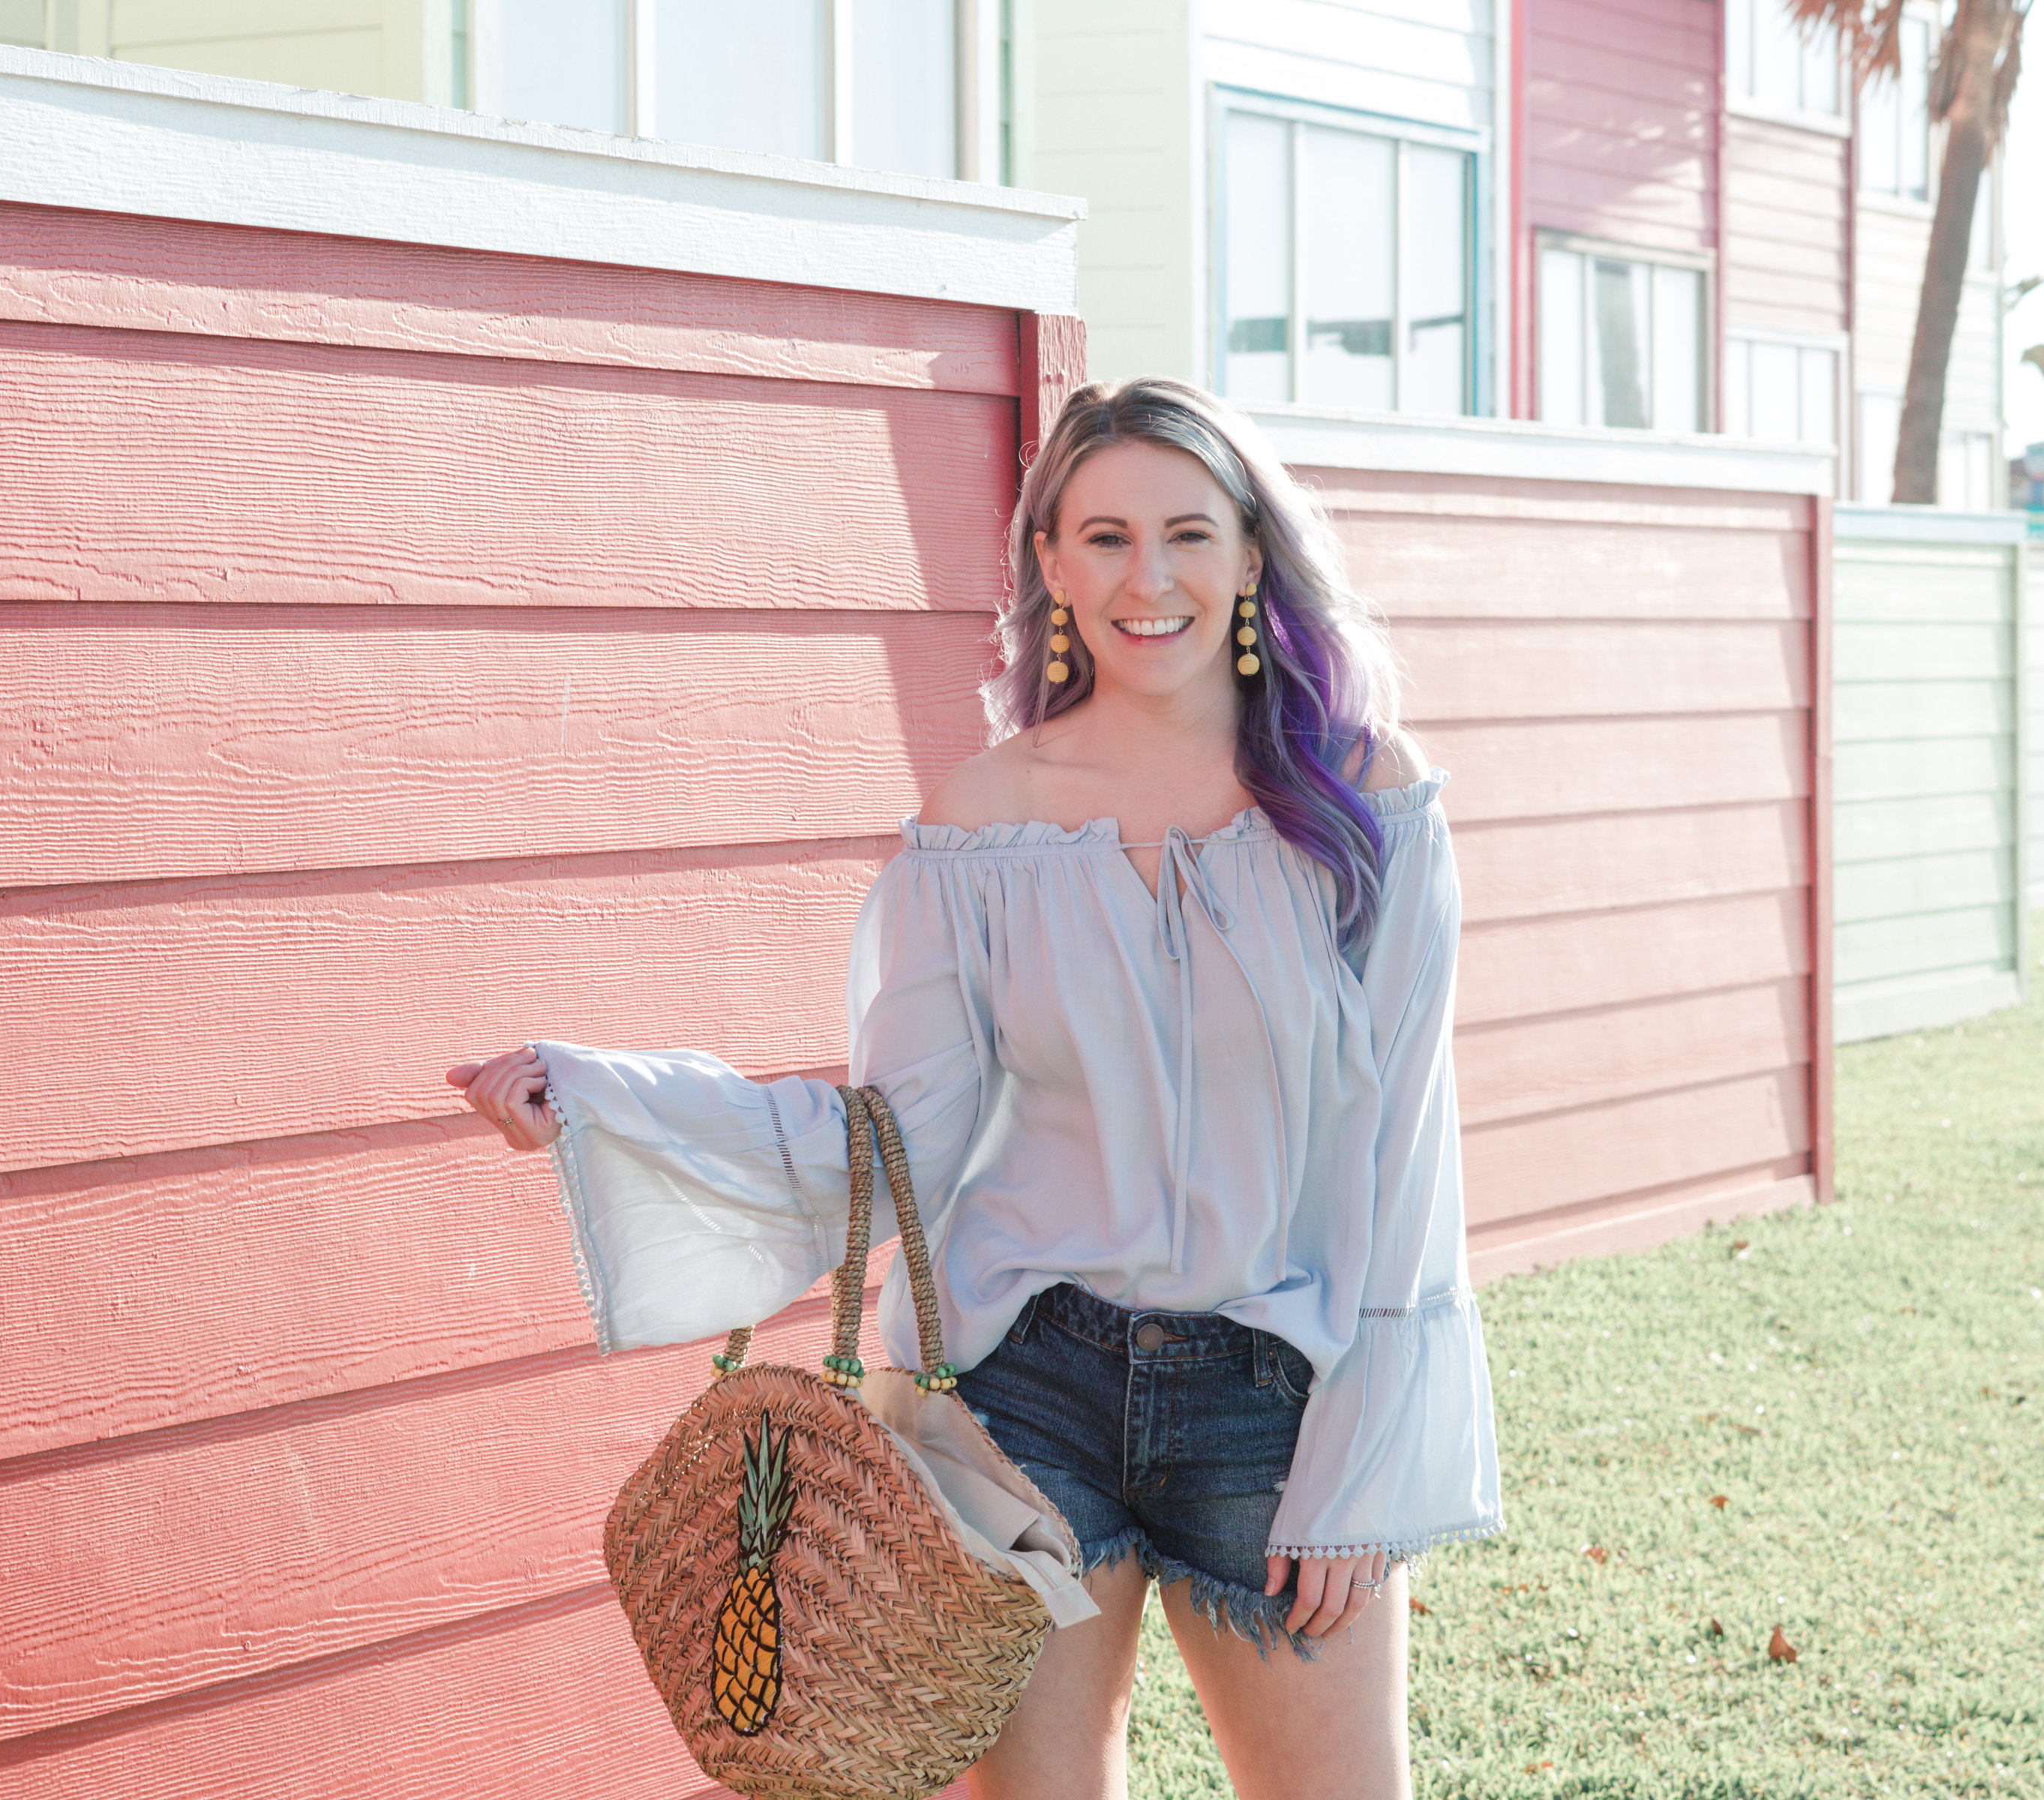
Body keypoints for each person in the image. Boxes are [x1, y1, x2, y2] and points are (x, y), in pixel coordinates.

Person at [446, 376, 1502, 1800]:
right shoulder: (982, 829)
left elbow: (1403, 1159)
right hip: (1024, 1394)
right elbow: (896, 1144)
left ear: (1252, 556)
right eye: (1106, 537)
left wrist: (1365, 1461)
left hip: (1280, 1391)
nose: (1151, 578)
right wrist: (610, 1100)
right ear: (1051, 568)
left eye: (1189, 533)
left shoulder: (1362, 807)